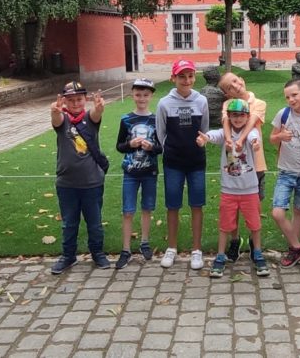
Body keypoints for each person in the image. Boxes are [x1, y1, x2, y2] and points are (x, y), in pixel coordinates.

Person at [196, 99, 270, 279]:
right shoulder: (225, 133)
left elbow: (254, 138)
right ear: (228, 116)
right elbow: (214, 135)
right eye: (234, 115)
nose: (238, 119)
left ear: (247, 117)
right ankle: (221, 255)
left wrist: (256, 144)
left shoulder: (251, 132)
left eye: (242, 115)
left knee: (255, 224)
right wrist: (204, 138)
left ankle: (257, 253)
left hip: (249, 190)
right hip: (229, 190)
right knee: (225, 225)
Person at [50, 81, 110, 274]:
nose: (75, 103)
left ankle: (97, 253)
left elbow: (96, 115)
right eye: (71, 100)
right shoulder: (63, 120)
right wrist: (55, 111)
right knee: (69, 223)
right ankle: (68, 256)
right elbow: (56, 120)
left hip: (92, 182)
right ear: (65, 101)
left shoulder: (89, 118)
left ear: (85, 99)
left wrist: (98, 108)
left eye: (79, 99)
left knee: (94, 223)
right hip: (67, 183)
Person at [155, 59, 209, 270]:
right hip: (173, 163)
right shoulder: (164, 103)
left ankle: (196, 250)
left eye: (190, 76)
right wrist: (171, 149)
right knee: (173, 205)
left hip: (196, 162)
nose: (186, 80)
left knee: (197, 204)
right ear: (173, 78)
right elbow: (161, 133)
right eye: (182, 76)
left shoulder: (201, 101)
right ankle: (171, 247)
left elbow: (204, 129)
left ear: (195, 77)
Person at [218, 72, 268, 262]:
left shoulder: (259, 103)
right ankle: (235, 239)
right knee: (233, 207)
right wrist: (228, 139)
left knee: (253, 206)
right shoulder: (227, 105)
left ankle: (255, 243)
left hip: (255, 164)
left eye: (235, 81)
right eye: (229, 87)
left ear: (242, 79)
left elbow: (252, 122)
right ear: (227, 94)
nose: (235, 86)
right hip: (233, 164)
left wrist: (240, 140)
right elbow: (225, 121)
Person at [114, 78, 162, 269]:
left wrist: (151, 148)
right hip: (130, 172)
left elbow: (160, 148)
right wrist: (130, 144)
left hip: (150, 171)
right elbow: (119, 146)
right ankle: (125, 249)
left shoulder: (156, 120)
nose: (142, 98)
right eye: (138, 95)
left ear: (151, 96)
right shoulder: (126, 120)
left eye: (145, 95)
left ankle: (144, 242)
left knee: (147, 208)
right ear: (132, 95)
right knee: (127, 210)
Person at [269, 79, 300, 267]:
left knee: (298, 211)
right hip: (286, 172)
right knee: (278, 212)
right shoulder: (283, 114)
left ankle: (294, 250)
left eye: (294, 95)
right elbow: (271, 138)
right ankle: (297, 247)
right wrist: (280, 136)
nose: (291, 100)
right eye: (287, 97)